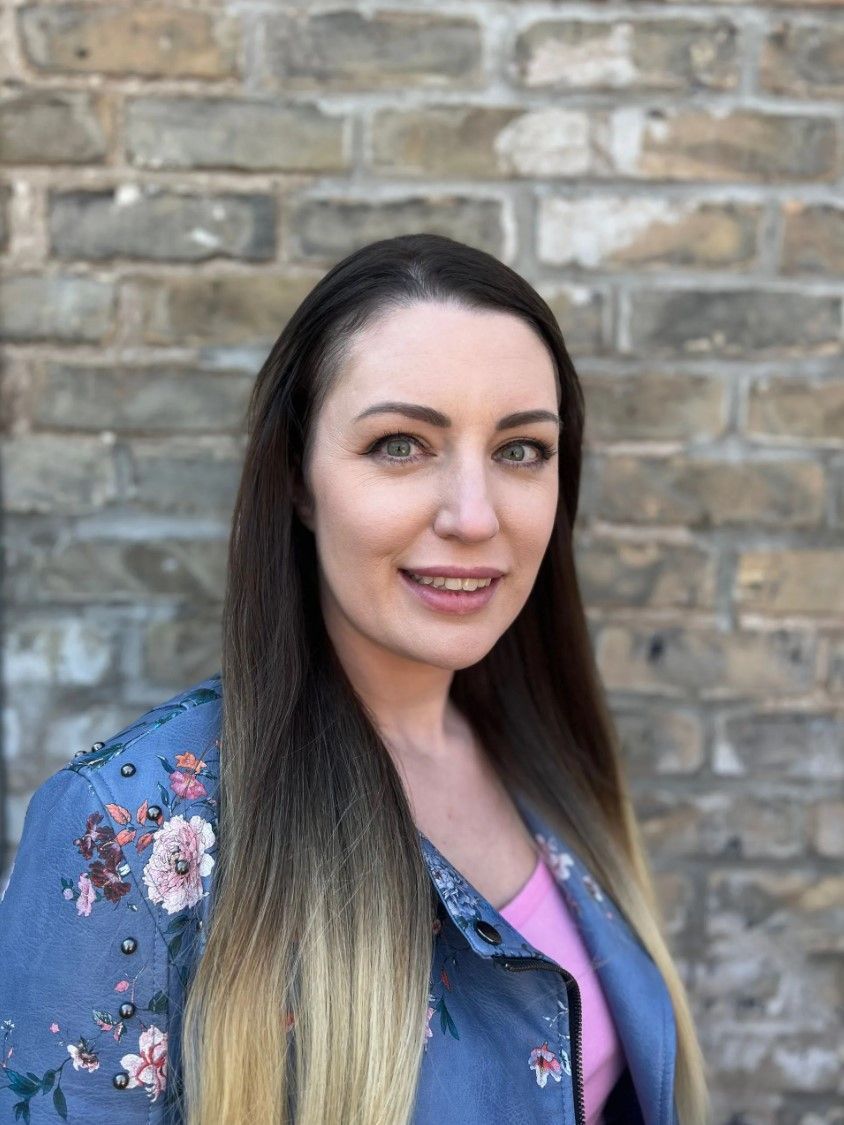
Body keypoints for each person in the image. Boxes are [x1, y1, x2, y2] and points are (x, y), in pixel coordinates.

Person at [0, 233, 711, 1124]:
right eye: (402, 444)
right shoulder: (129, 829)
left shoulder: (545, 757)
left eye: (521, 450)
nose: (474, 515)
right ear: (299, 478)